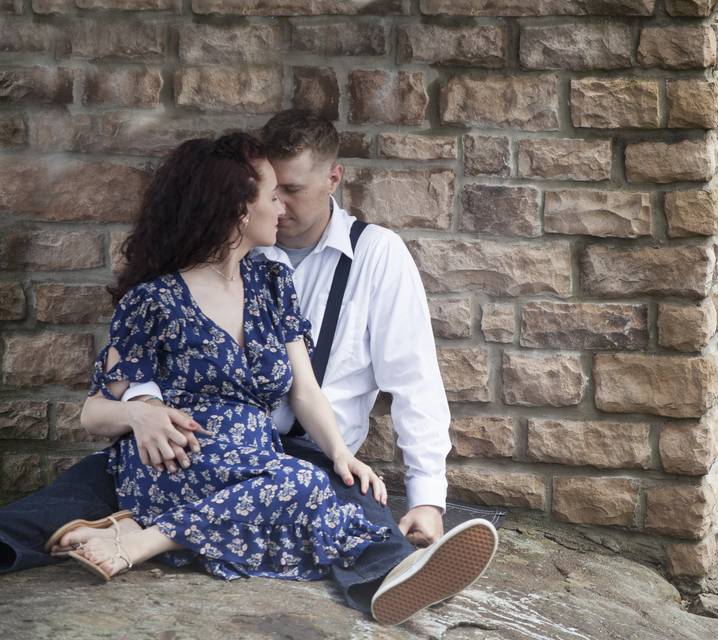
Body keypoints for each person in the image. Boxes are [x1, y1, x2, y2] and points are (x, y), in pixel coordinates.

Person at [2, 127, 497, 625]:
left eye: (289, 192)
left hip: (262, 460)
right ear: (239, 209)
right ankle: (142, 532)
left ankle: (146, 535)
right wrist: (138, 414)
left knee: (335, 495)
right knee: (302, 492)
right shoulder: (153, 300)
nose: (279, 205)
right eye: (270, 194)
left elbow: (308, 389)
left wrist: (349, 456)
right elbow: (94, 409)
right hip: (182, 463)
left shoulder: (274, 281)